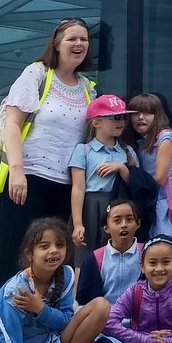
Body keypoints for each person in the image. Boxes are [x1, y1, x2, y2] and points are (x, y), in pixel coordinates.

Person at [0, 18, 96, 288]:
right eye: (72, 38)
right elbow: (12, 124)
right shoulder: (37, 73)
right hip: (28, 180)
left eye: (84, 39)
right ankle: (6, 313)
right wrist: (17, 172)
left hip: (64, 186)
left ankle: (46, 312)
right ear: (57, 44)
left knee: (54, 259)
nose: (79, 44)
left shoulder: (87, 87)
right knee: (18, 254)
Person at [0, 218, 109, 343]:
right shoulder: (16, 291)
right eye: (44, 246)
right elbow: (7, 339)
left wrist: (41, 309)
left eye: (60, 245)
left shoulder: (66, 274)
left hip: (56, 342)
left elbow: (65, 320)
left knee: (101, 306)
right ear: (30, 254)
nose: (53, 251)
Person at [69, 95, 137, 262]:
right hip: (90, 206)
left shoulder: (128, 151)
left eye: (123, 117)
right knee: (84, 257)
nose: (121, 122)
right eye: (115, 117)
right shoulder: (83, 150)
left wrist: (121, 168)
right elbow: (78, 188)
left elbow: (137, 185)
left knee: (117, 254)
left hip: (119, 206)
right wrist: (78, 223)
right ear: (97, 122)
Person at [127, 93, 172, 237]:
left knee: (163, 242)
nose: (140, 117)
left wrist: (130, 178)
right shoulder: (141, 140)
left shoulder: (165, 137)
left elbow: (160, 179)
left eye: (147, 113)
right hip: (149, 200)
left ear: (158, 115)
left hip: (163, 202)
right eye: (135, 113)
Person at [76, 199, 143, 307]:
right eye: (117, 221)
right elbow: (85, 299)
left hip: (139, 313)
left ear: (138, 223)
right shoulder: (94, 259)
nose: (124, 225)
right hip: (105, 314)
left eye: (129, 219)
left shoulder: (146, 254)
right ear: (106, 227)